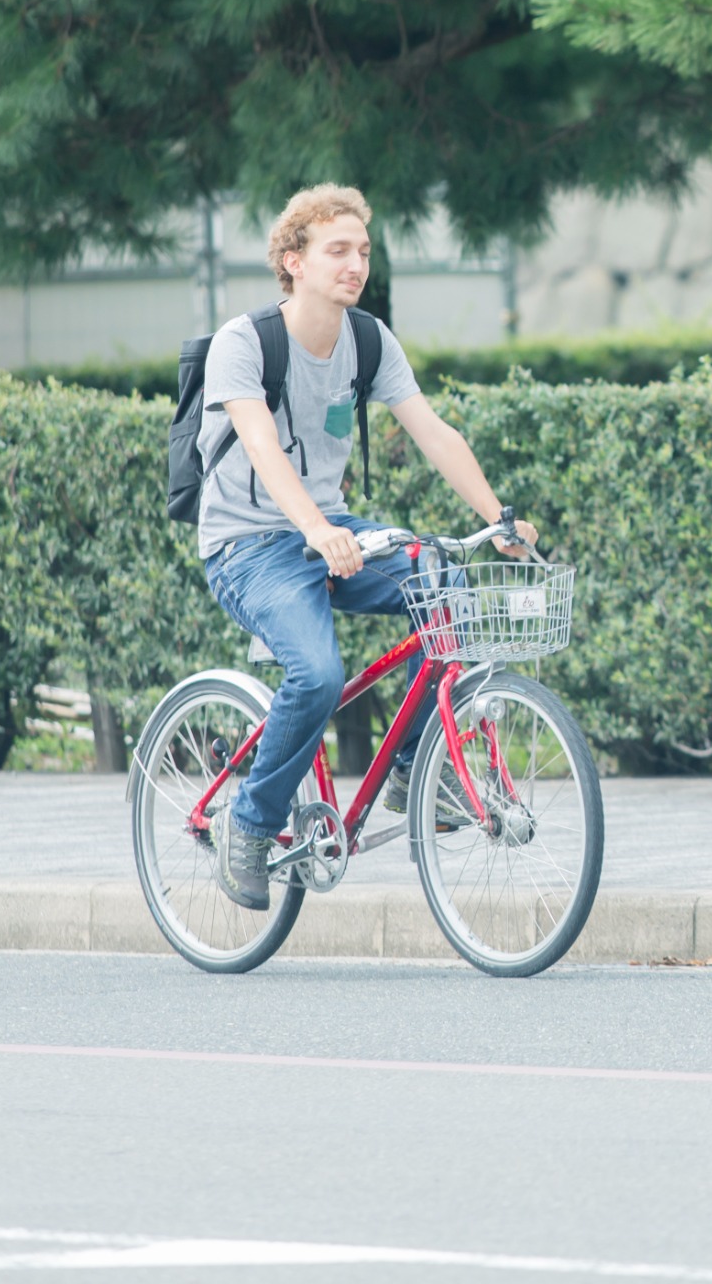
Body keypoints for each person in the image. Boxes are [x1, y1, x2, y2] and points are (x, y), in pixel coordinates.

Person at [197, 184, 536, 910]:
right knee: (318, 674)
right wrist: (318, 531)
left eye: (364, 251)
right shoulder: (245, 343)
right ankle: (249, 824)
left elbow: (433, 430)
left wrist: (498, 516)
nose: (357, 264)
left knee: (446, 582)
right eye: (338, 251)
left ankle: (415, 764)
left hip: (335, 531)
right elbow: (261, 448)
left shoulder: (369, 340)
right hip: (249, 546)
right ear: (294, 261)